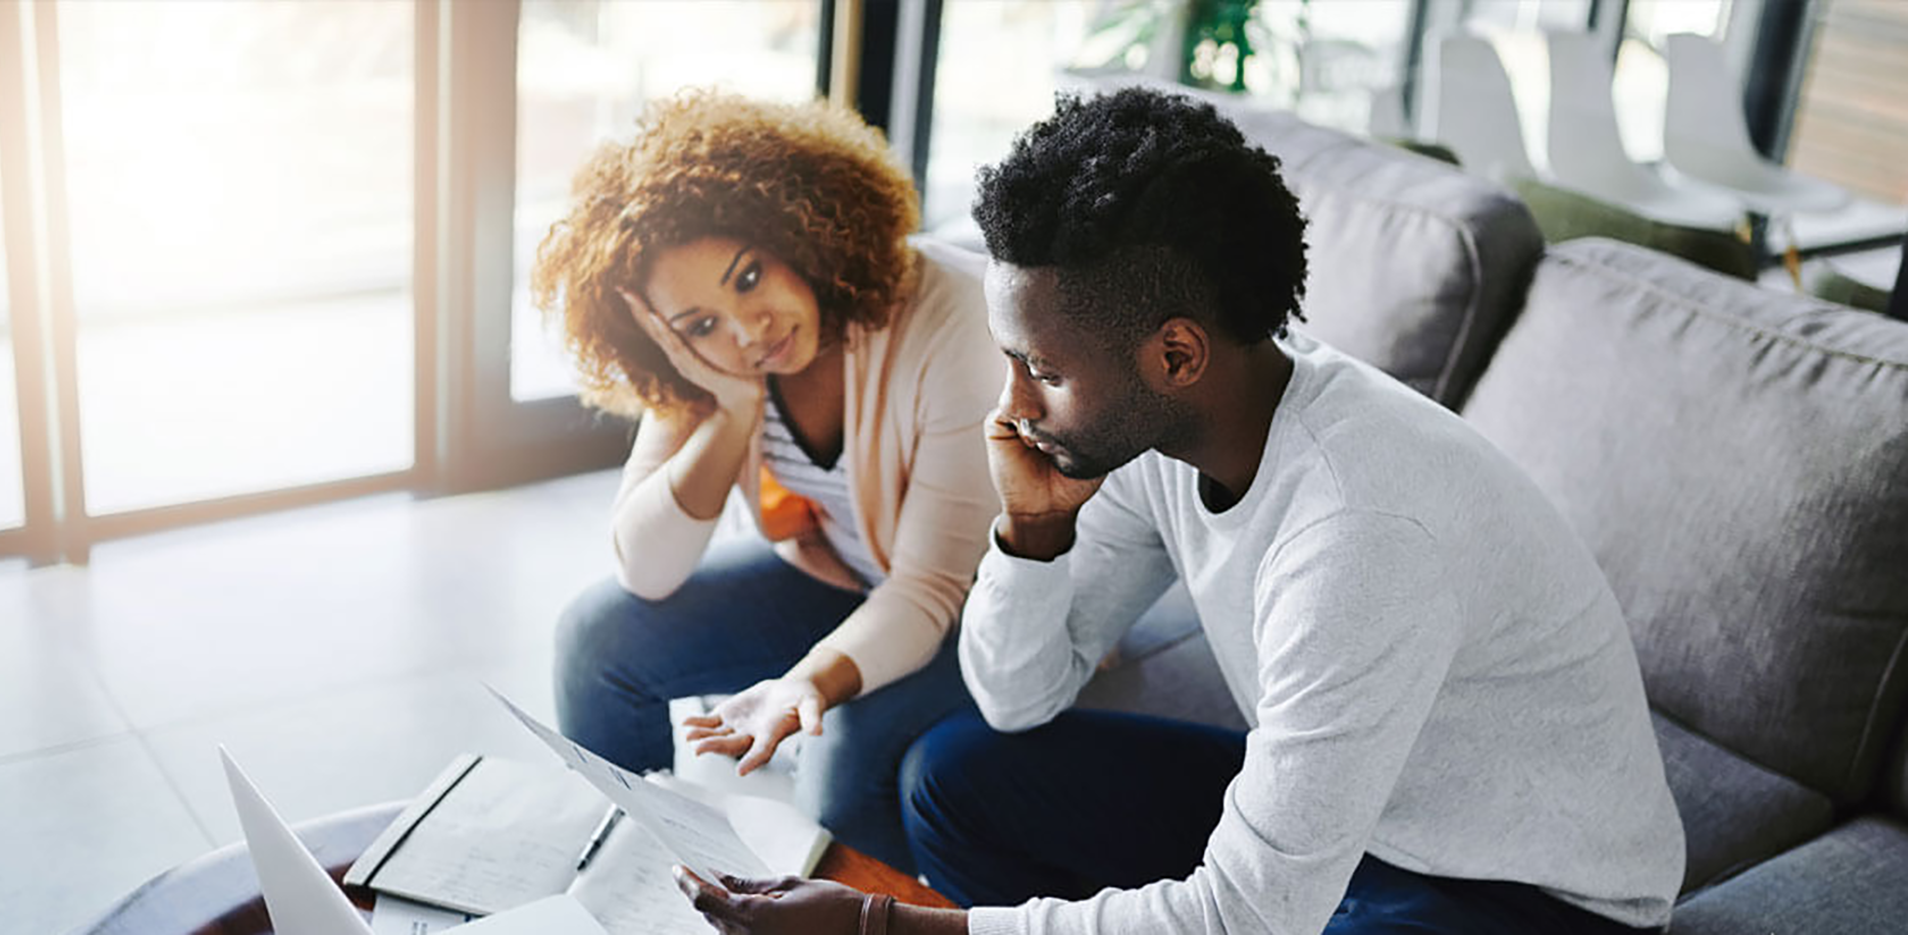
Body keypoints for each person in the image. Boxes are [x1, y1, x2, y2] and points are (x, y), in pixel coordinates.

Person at [670, 87, 1684, 935]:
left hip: (1526, 893)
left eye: (1041, 370)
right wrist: (1033, 533)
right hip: (1370, 818)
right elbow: (1018, 698)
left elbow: (1250, 910)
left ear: (1177, 355)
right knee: (957, 775)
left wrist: (878, 924)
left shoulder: (1361, 534)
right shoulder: (1163, 430)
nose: (1011, 406)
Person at [533, 89, 1000, 873]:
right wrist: (732, 409)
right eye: (700, 324)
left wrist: (802, 684)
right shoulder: (716, 368)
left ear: (800, 227)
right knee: (597, 639)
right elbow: (646, 568)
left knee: (838, 765)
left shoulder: (950, 319)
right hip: (852, 579)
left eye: (749, 277)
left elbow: (928, 593)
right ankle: (630, 891)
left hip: (987, 615)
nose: (748, 331)